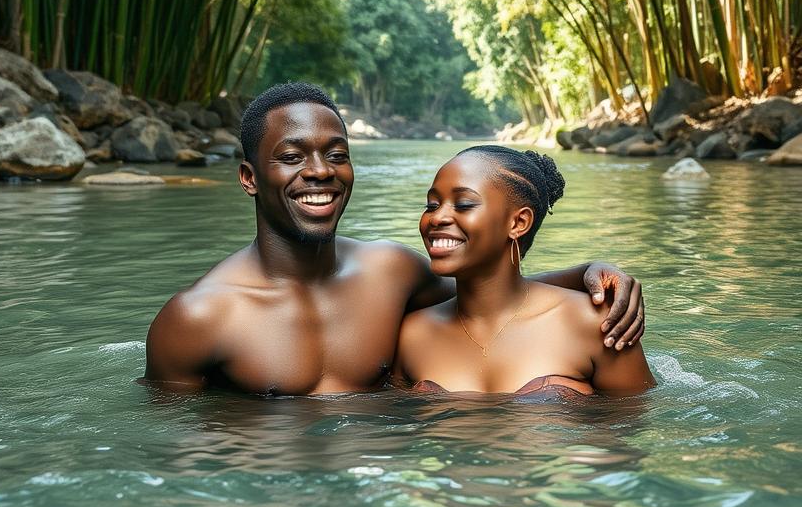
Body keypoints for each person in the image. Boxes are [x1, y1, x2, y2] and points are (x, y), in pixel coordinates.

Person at [145, 83, 646, 395]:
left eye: (337, 154)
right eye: (292, 157)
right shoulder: (198, 318)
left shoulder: (390, 273)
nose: (320, 171)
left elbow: (489, 292)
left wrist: (589, 273)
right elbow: (169, 452)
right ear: (250, 178)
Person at [393, 145, 656, 398]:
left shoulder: (596, 323)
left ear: (519, 222)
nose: (437, 218)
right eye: (431, 205)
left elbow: (638, 428)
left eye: (463, 204)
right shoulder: (411, 335)